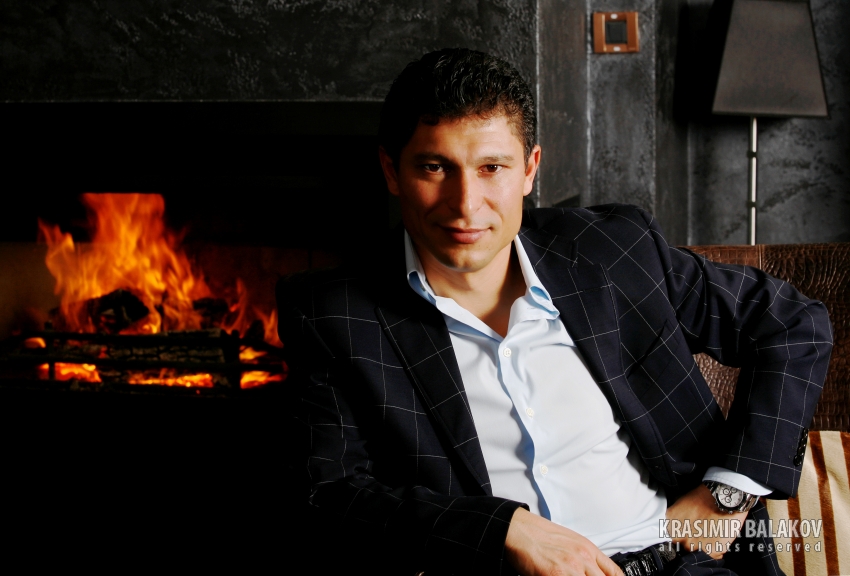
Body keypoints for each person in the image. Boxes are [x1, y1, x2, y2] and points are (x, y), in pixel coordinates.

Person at [277, 48, 832, 576]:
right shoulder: (332, 313)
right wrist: (504, 529)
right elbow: (328, 494)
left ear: (529, 169)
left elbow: (792, 323)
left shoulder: (612, 249)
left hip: (679, 564)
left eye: (492, 167)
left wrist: (729, 491)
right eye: (435, 167)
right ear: (391, 171)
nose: (466, 204)